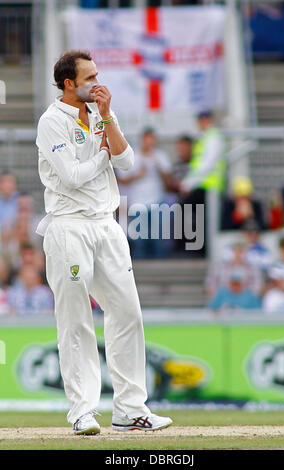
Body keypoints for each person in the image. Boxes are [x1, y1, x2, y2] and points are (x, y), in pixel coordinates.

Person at [35, 50, 172, 435]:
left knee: (127, 312)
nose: (97, 82)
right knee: (75, 319)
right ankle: (82, 411)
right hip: (69, 227)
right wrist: (102, 155)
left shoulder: (98, 113)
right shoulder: (51, 122)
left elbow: (127, 162)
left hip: (107, 226)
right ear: (68, 83)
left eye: (97, 74)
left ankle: (130, 409)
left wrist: (108, 120)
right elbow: (73, 176)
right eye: (89, 76)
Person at [117, 128, 172, 259]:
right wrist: (137, 175)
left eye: (152, 139)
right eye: (147, 139)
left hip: (157, 200)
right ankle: (140, 267)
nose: (149, 143)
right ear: (142, 140)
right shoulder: (133, 156)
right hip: (137, 201)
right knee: (139, 237)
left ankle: (159, 266)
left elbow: (168, 181)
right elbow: (122, 179)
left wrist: (158, 166)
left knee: (157, 235)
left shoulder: (160, 156)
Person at [179, 111, 226, 256]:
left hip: (208, 187)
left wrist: (188, 183)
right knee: (198, 218)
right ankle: (195, 248)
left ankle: (199, 250)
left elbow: (207, 165)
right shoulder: (206, 137)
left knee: (204, 220)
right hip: (203, 186)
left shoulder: (212, 138)